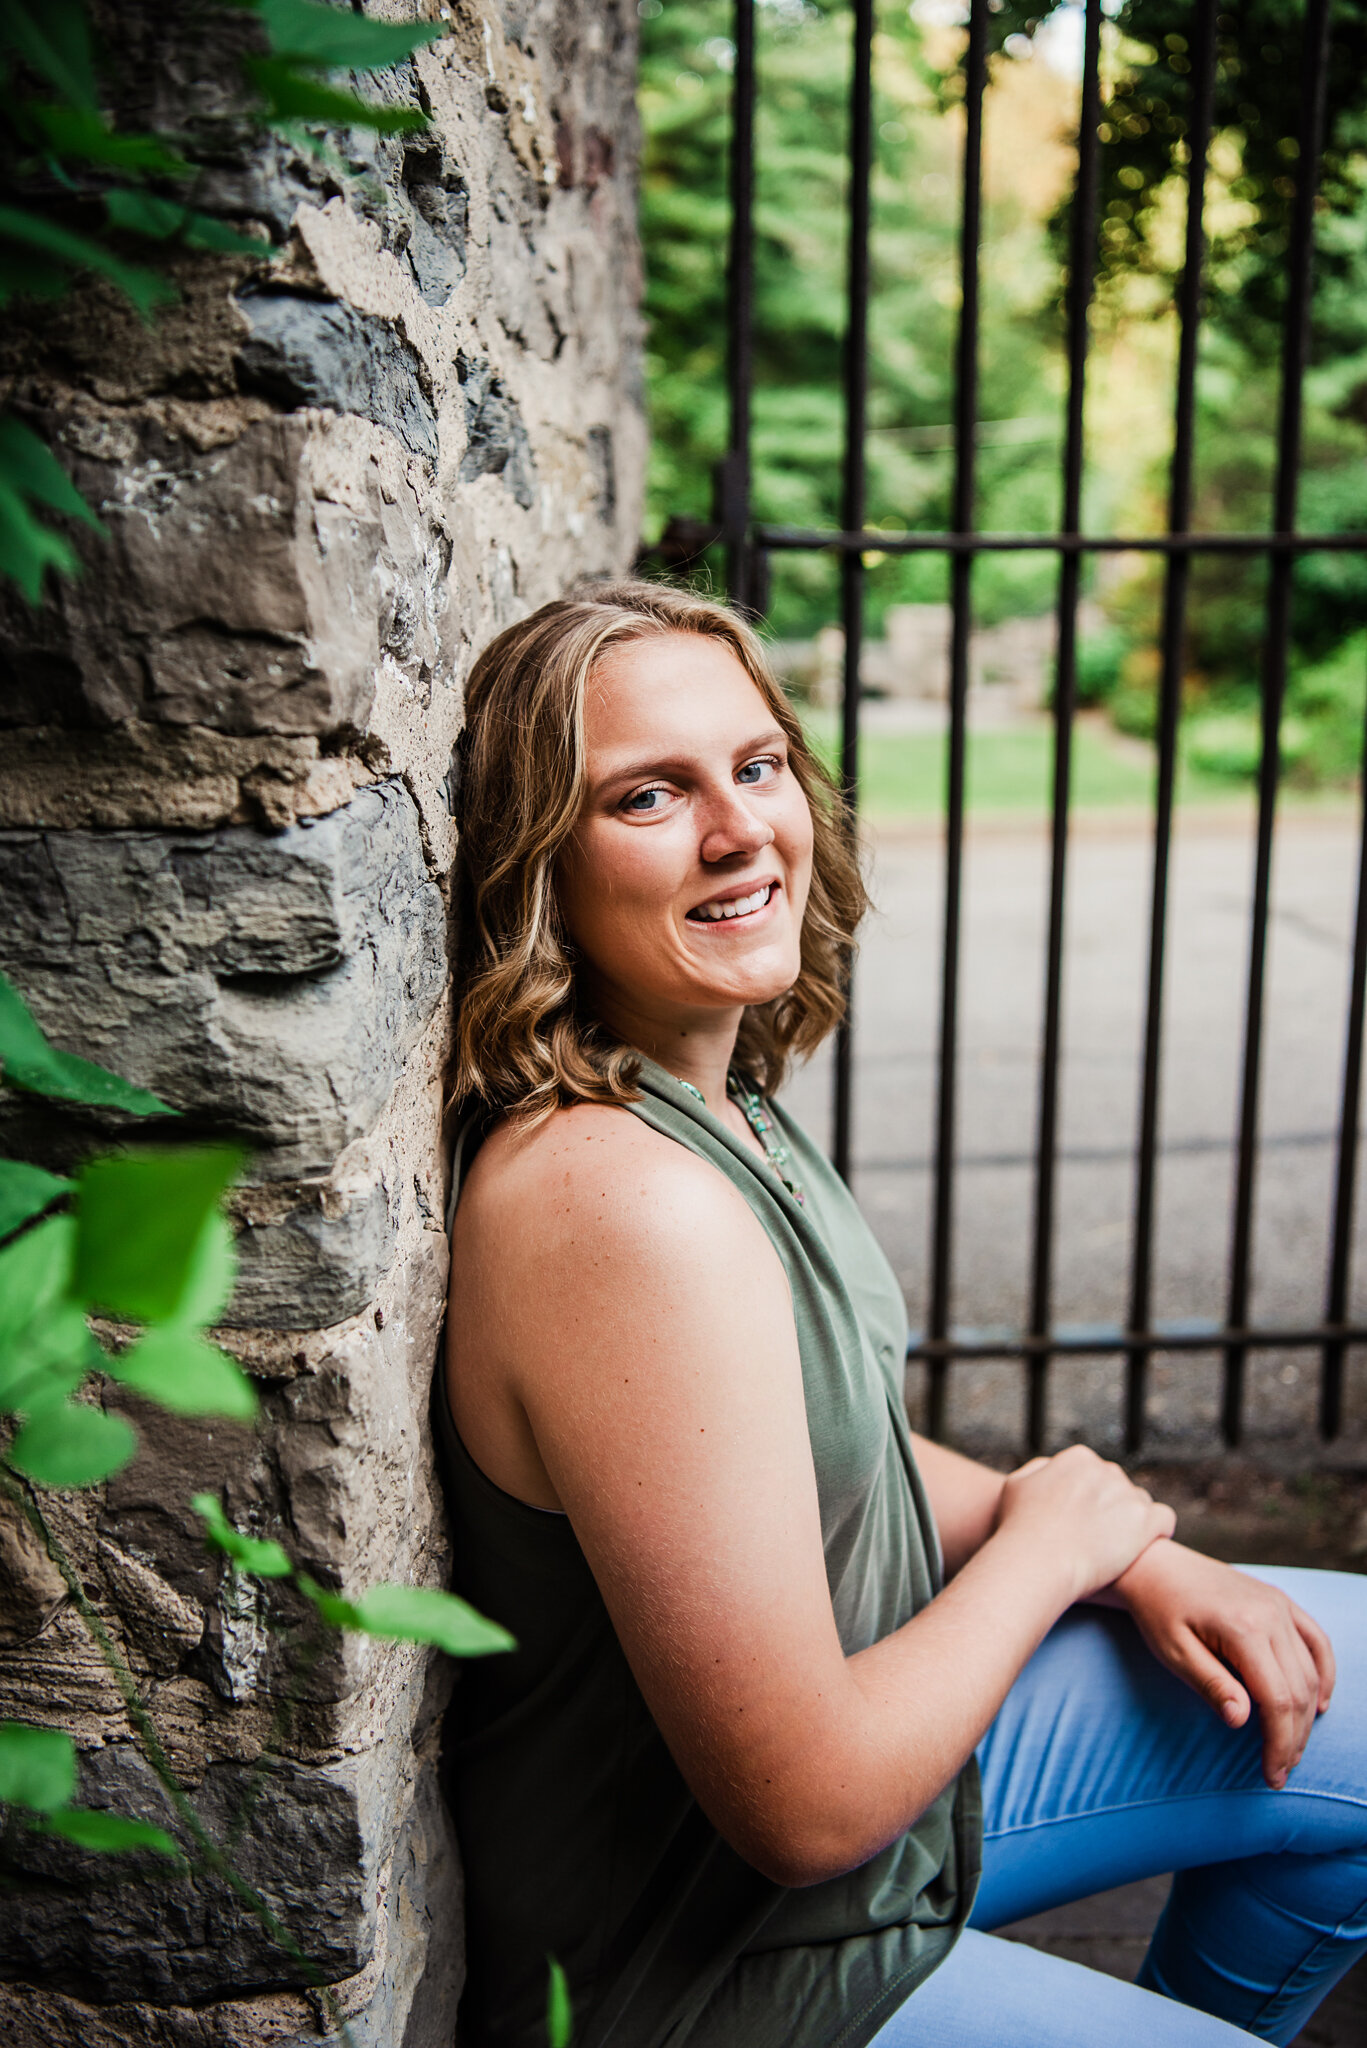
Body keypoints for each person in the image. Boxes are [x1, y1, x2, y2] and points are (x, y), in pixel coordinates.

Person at [440, 579, 1367, 2048]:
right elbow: (805, 1808)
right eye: (648, 797)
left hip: (892, 1773)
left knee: (1339, 1677)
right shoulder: (618, 1207)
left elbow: (816, 1448)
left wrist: (1122, 1554)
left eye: (756, 766)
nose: (744, 831)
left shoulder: (708, 1096)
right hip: (729, 1975)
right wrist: (1056, 1542)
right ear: (539, 869)